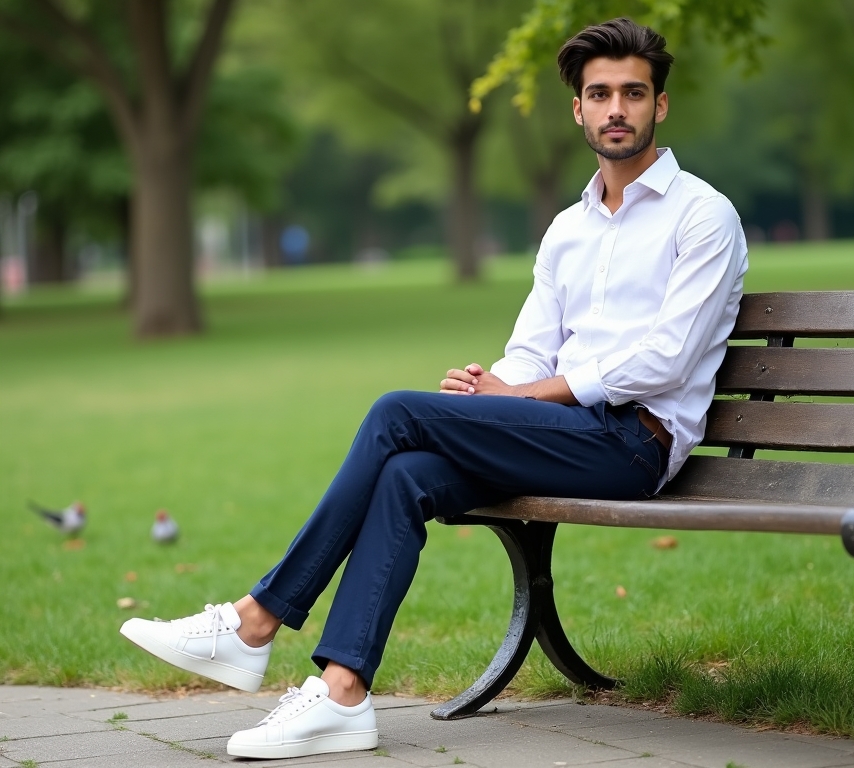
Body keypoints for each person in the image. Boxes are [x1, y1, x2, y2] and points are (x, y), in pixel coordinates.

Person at [119, 16, 748, 760]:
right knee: (409, 472)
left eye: (633, 94)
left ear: (660, 106)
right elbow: (529, 351)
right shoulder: (567, 230)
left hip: (635, 445)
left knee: (395, 414)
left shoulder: (703, 216)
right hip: (571, 433)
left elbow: (667, 363)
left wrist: (522, 399)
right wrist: (493, 386)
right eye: (600, 93)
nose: (617, 109)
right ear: (576, 108)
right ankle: (343, 694)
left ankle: (255, 620)